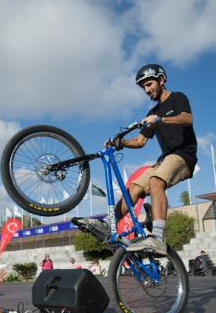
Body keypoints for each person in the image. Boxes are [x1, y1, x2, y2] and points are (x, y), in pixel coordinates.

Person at [74, 64, 197, 256]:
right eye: (143, 88)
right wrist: (120, 143)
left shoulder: (177, 98)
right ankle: (108, 224)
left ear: (161, 80)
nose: (147, 90)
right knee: (133, 189)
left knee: (156, 181)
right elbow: (140, 141)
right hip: (163, 159)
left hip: (183, 155)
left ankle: (157, 238)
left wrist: (161, 120)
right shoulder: (151, 113)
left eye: (149, 84)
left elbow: (187, 119)